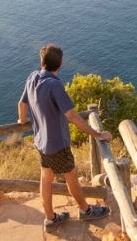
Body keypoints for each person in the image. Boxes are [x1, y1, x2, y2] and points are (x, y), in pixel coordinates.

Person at [18, 44, 113, 232]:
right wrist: (97, 134)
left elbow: (22, 104)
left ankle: (51, 219)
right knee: (72, 177)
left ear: (42, 62)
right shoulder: (55, 85)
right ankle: (86, 211)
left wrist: (22, 120)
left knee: (46, 177)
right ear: (59, 65)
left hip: (41, 141)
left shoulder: (32, 77)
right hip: (57, 144)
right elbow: (71, 116)